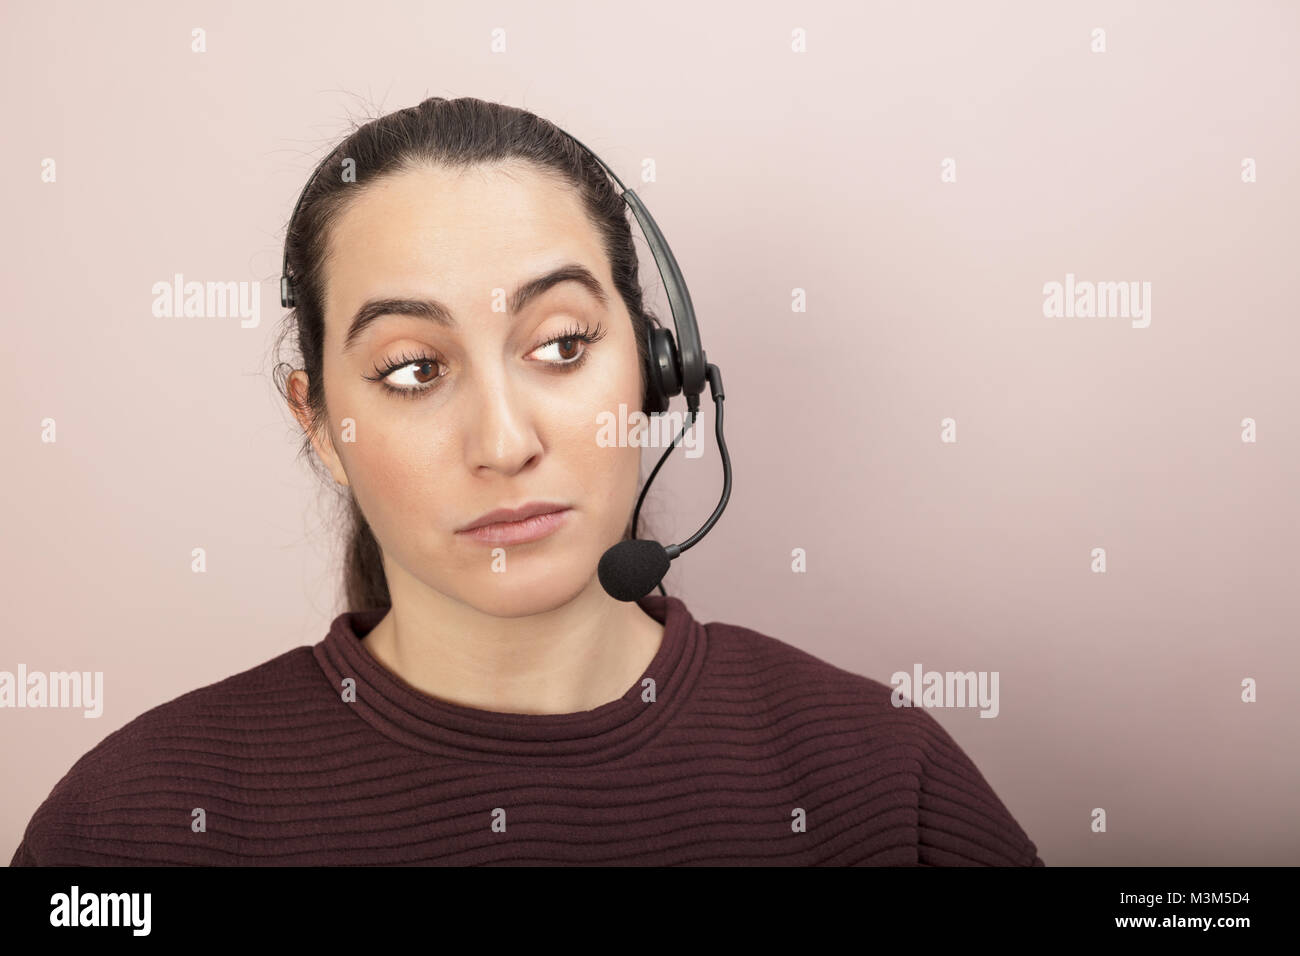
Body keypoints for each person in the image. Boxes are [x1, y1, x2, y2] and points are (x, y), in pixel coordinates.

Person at [9, 96, 1043, 866]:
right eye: (414, 368)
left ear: (654, 367)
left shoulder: (876, 778)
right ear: (319, 422)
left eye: (557, 345)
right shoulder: (132, 824)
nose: (502, 442)